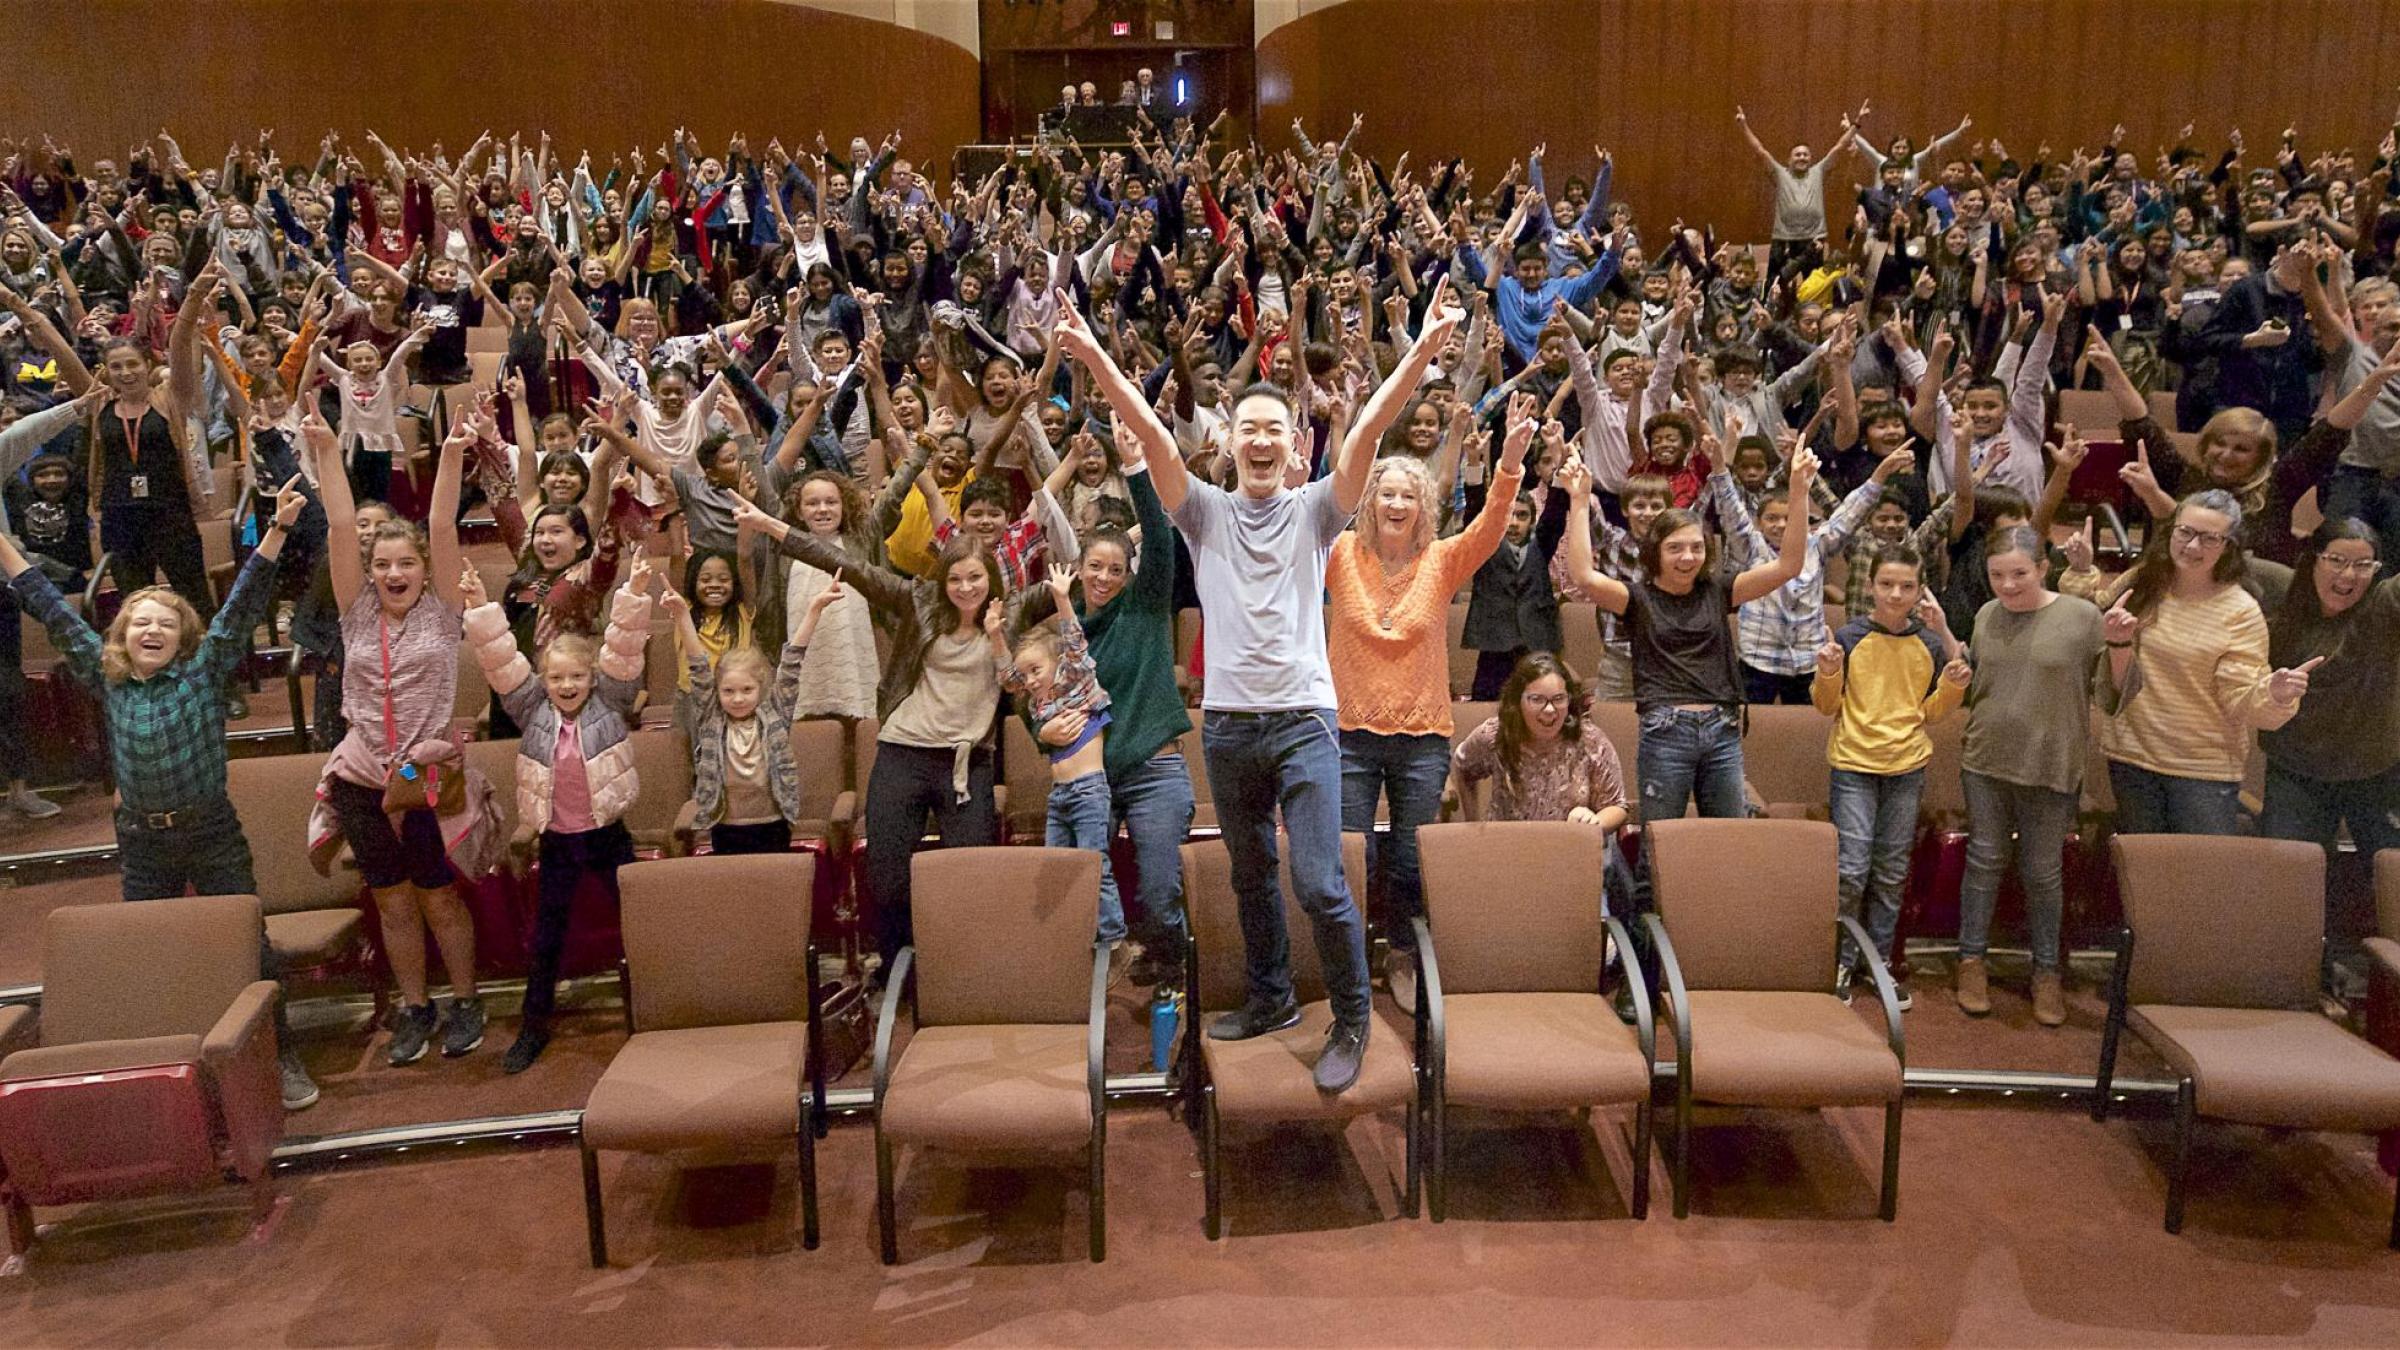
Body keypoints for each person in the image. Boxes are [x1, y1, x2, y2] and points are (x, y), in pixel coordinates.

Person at [1056, 274, 1463, 1096]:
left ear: (1293, 442)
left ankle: (1351, 1015)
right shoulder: (1203, 511)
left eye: (1276, 428)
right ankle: (1272, 997)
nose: (1263, 440)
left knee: (1318, 879)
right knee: (1248, 876)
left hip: (1305, 721)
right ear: (1231, 442)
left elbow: (1369, 430)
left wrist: (1422, 348)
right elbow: (1150, 433)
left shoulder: (1317, 510)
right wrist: (1093, 354)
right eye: (1249, 429)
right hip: (1229, 726)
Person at [0, 475, 320, 1109]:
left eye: (165, 623)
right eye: (139, 622)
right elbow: (49, 606)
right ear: (120, 636)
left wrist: (278, 529)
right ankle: (175, 1064)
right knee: (153, 948)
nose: (151, 630)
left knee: (248, 944)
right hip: (143, 843)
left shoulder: (202, 671)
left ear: (183, 638)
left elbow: (243, 605)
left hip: (210, 831)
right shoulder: (106, 675)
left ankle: (279, 1054)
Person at [732, 494, 1004, 969]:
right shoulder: (919, 599)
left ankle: (959, 971)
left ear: (991, 580)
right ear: (942, 581)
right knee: (888, 878)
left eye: (975, 578)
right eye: (955, 579)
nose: (965, 588)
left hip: (967, 761)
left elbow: (1088, 583)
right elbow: (848, 565)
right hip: (904, 751)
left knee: (969, 877)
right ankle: (898, 969)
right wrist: (772, 527)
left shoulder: (1010, 614)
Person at [303, 407, 495, 1068]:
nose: (393, 572)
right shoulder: (356, 614)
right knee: (392, 902)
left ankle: (465, 1000)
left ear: (422, 569)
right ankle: (416, 1008)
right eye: (382, 563)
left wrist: (451, 454)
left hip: (422, 777)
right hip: (362, 777)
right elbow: (338, 524)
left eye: (405, 562)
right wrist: (327, 451)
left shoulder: (442, 614)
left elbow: (441, 525)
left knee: (437, 897)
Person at [1327, 394, 1531, 1007]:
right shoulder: (1339, 554)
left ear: (1423, 507)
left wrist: (1508, 464)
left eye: (1408, 496)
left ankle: (1404, 954)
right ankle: (1347, 963)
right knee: (1351, 856)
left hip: (1421, 738)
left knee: (1411, 860)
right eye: (1386, 494)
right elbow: (1299, 516)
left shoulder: (1441, 561)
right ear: (1369, 502)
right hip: (1349, 733)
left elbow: (1491, 527)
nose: (1396, 504)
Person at [461, 555, 655, 1074]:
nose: (567, 685)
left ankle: (657, 1008)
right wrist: (479, 606)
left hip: (608, 836)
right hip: (558, 840)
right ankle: (533, 1024)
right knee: (546, 937)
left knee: (639, 925)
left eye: (576, 676)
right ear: (543, 681)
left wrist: (635, 592)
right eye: (556, 677)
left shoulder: (610, 700)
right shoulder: (530, 709)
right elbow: (501, 660)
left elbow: (624, 647)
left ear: (591, 678)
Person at [1560, 440, 1819, 824]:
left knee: (1728, 835)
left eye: (1696, 548)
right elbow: (1584, 576)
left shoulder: (1719, 590)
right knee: (1658, 836)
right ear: (1656, 553)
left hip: (1722, 729)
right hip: (1665, 730)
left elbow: (1789, 566)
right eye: (1676, 548)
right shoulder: (1638, 597)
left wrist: (1798, 493)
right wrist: (1580, 501)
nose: (1687, 557)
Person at [1032, 418, 1196, 990]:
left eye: (1115, 569)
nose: (1104, 577)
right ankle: (1084, 976)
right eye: (1094, 567)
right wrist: (1042, 736)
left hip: (1153, 770)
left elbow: (1159, 533)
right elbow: (1039, 704)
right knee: (1077, 878)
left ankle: (1172, 962)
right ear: (1077, 570)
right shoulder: (1062, 633)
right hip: (1089, 777)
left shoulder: (1145, 608)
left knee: (1159, 887)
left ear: (1130, 575)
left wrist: (1135, 468)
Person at [2064, 490, 2322, 834]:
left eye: (2210, 538)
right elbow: (2084, 617)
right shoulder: (2144, 580)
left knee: (2201, 866)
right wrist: (2081, 569)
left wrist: (2274, 694)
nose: (2193, 546)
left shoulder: (2240, 611)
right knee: (2140, 863)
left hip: (2201, 770)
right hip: (2131, 755)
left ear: (2228, 546)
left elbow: (2240, 699)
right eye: (2185, 532)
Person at [1953, 525, 2123, 1025]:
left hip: (2051, 762)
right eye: (1997, 575)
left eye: (2019, 574)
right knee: (1983, 861)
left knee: (2043, 872)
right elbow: (1980, 686)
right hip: (1986, 758)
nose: (2007, 585)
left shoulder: (2082, 617)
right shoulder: (1986, 615)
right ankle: (1971, 961)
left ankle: (2047, 971)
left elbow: (2112, 695)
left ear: (2044, 569)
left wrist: (2121, 645)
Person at [1810, 543, 1969, 1006]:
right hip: (1854, 764)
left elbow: (1932, 712)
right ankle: (1842, 961)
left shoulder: (1928, 643)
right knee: (1851, 870)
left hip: (1906, 766)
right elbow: (1827, 705)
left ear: (1920, 590)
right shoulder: (1850, 637)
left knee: (1892, 871)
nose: (1896, 594)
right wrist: (1828, 672)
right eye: (1886, 585)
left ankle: (1877, 962)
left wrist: (1953, 687)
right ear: (1870, 586)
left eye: (1906, 586)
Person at [2251, 519, 2399, 862]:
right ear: (2313, 559)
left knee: (2393, 875)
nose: (2348, 575)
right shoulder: (2279, 594)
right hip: (2296, 771)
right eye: (2336, 560)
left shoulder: (2383, 607)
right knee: (2287, 876)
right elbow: (2214, 550)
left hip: (2379, 771)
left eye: (2363, 565)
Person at [677, 567, 848, 856]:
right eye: (728, 691)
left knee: (772, 877)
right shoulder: (712, 718)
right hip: (725, 824)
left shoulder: (774, 715)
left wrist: (814, 610)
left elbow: (792, 664)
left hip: (772, 822)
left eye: (746, 690)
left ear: (761, 689)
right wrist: (683, 615)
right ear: (717, 692)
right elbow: (698, 668)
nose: (738, 699)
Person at [1001, 565, 1124, 947]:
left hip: (1089, 792)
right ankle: (1066, 938)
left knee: (1094, 865)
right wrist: (993, 634)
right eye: (1027, 675)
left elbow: (1074, 642)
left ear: (1058, 664)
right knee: (1056, 868)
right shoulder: (1038, 703)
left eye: (1036, 670)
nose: (1030, 680)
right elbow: (1008, 676)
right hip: (1059, 796)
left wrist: (1060, 598)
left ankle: (1112, 940)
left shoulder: (1077, 681)